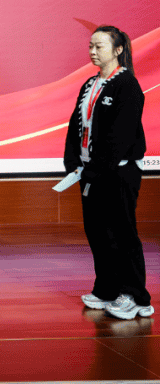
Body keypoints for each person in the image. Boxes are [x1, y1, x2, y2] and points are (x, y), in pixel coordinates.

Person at [63, 25, 151, 319]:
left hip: (118, 174)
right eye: (90, 45)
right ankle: (107, 288)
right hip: (90, 173)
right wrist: (73, 162)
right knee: (98, 232)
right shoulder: (90, 84)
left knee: (122, 233)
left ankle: (135, 296)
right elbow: (75, 126)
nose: (92, 51)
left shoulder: (127, 85)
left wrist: (97, 169)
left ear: (118, 50)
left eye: (99, 46)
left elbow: (120, 137)